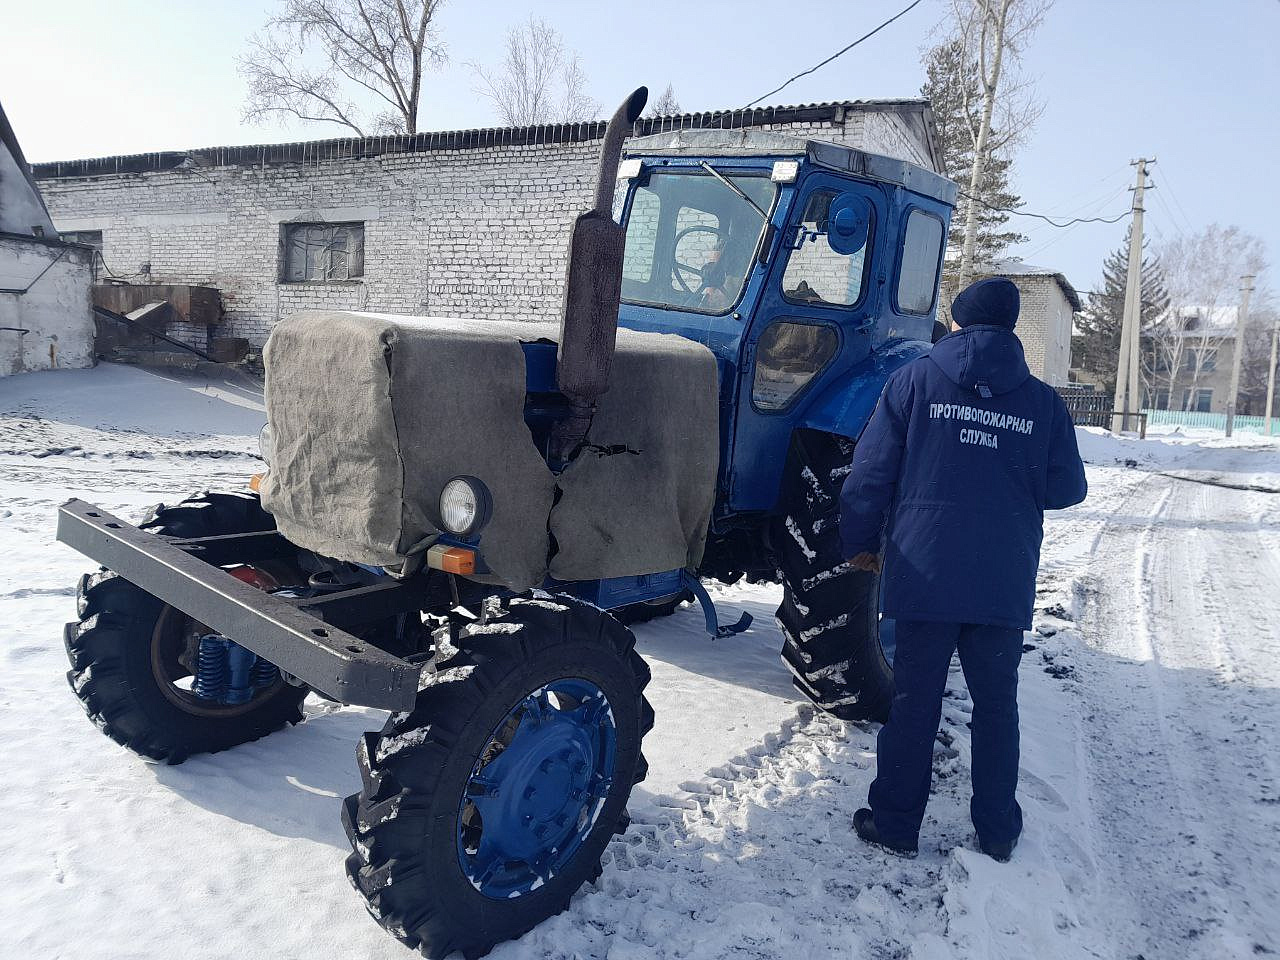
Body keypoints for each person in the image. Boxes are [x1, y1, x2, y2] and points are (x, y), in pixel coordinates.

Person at [838, 277, 1087, 861]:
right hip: (1002, 575)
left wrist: (860, 543)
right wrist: (1007, 478)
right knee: (997, 705)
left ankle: (897, 824)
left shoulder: (914, 382)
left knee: (914, 702)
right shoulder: (1043, 402)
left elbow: (870, 474)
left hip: (924, 568)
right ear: (1011, 326)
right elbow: (1068, 487)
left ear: (957, 321)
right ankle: (998, 831)